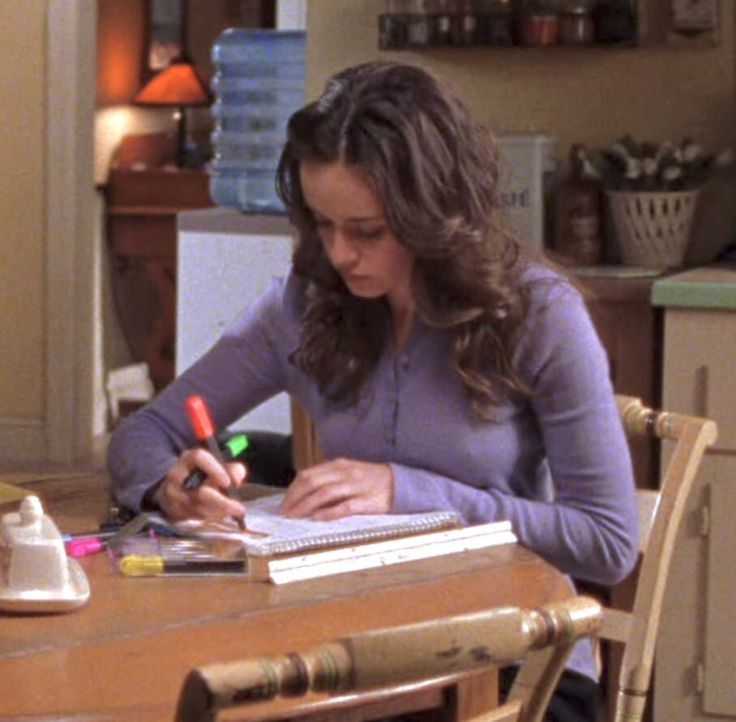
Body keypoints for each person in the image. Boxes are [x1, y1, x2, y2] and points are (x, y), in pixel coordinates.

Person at [107, 60, 638, 720]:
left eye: (366, 231)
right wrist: (172, 487)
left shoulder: (539, 314)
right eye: (322, 225)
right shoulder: (302, 308)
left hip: (517, 672)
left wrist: (408, 492)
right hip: (359, 660)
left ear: (434, 216)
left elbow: (609, 543)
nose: (339, 255)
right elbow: (142, 433)